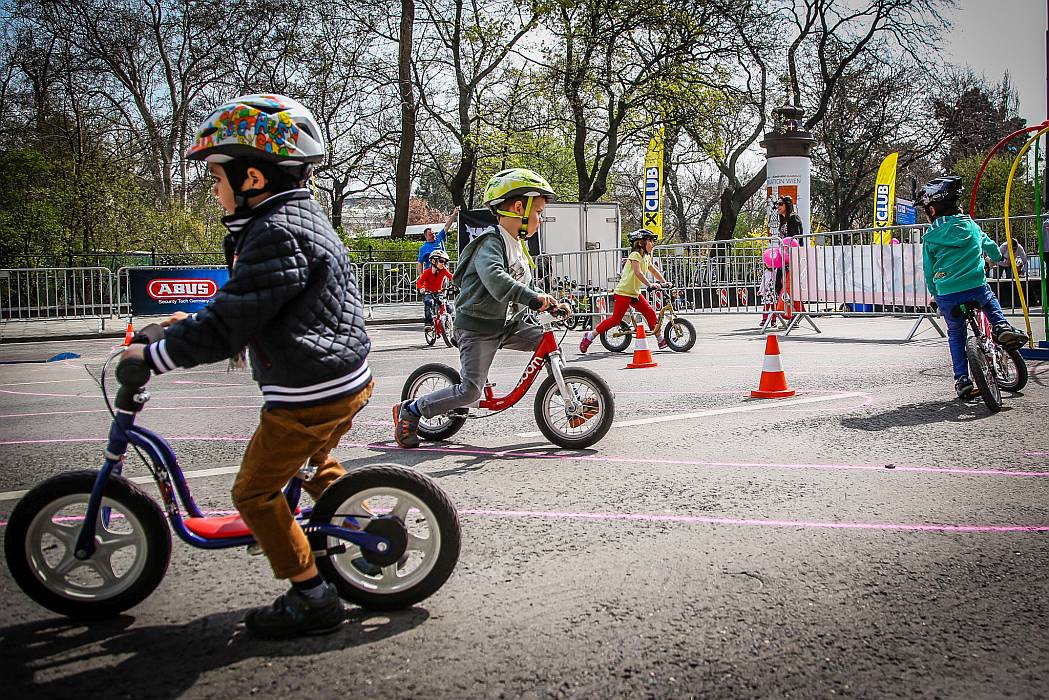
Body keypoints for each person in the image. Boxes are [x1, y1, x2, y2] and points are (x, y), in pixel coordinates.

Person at [122, 94, 373, 638]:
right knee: (311, 464)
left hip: (311, 387)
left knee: (254, 494)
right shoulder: (292, 218)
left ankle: (312, 595)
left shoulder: (274, 232)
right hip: (336, 377)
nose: (212, 190)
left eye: (215, 178)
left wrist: (158, 356)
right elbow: (245, 302)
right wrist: (173, 328)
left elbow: (232, 321)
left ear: (253, 178)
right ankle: (360, 531)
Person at [393, 168, 571, 448]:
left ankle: (569, 397)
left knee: (548, 346)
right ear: (517, 208)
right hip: (477, 327)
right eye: (538, 212)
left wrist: (549, 301)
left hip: (506, 323)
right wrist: (533, 300)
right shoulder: (491, 243)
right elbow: (497, 281)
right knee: (470, 391)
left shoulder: (518, 247)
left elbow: (524, 286)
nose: (541, 218)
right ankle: (412, 409)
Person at [917, 175, 1028, 398]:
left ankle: (963, 379)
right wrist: (995, 259)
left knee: (956, 334)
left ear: (932, 211)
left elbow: (929, 273)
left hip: (948, 292)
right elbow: (994, 250)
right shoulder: (971, 226)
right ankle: (1001, 326)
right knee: (988, 298)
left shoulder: (930, 237)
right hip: (975, 285)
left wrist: (936, 295)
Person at [579, 229, 670, 353]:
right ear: (641, 243)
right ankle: (590, 335)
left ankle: (660, 339)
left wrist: (664, 282)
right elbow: (638, 272)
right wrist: (650, 284)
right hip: (623, 292)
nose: (653, 244)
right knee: (616, 319)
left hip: (634, 293)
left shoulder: (646, 257)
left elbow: (653, 270)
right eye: (650, 241)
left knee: (650, 313)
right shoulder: (635, 255)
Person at [417, 207, 459, 277]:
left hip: (443, 272)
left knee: (442, 288)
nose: (433, 235)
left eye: (433, 233)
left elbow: (447, 226)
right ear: (426, 236)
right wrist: (421, 277)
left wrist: (454, 214)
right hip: (431, 273)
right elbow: (420, 263)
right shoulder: (423, 248)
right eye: (431, 234)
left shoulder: (439, 237)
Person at [417, 248, 453, 330]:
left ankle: (445, 322)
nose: (443, 264)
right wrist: (421, 288)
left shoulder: (443, 270)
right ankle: (428, 323)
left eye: (444, 262)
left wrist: (457, 282)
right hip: (428, 292)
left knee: (449, 307)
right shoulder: (427, 272)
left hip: (439, 292)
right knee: (428, 302)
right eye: (441, 261)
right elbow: (419, 282)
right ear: (433, 261)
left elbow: (451, 277)